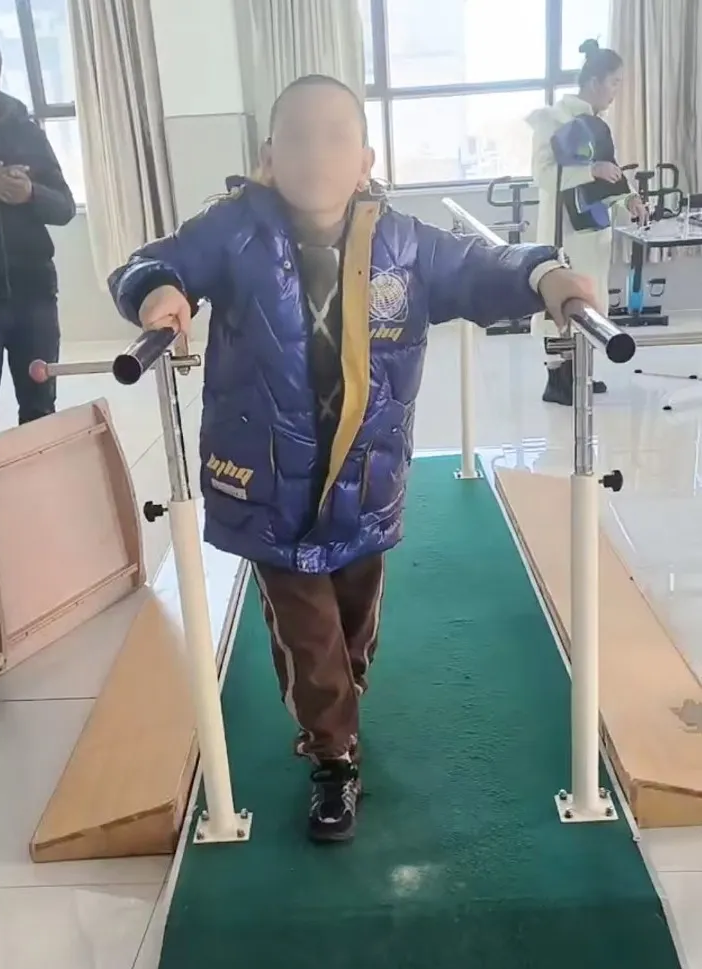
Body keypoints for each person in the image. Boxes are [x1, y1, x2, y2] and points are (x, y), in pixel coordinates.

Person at [109, 74, 599, 844]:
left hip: (365, 481)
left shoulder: (405, 244)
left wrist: (546, 275)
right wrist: (157, 295)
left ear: (366, 160)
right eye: (297, 137)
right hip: (269, 482)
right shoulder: (233, 231)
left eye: (337, 137)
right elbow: (150, 263)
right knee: (309, 631)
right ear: (268, 156)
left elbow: (482, 267)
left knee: (352, 619)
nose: (317, 153)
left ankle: (340, 697)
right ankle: (333, 754)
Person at [527, 39, 647, 406]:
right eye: (614, 82)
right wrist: (590, 169)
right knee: (560, 297)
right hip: (563, 230)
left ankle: (580, 372)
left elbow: (611, 175)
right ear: (594, 81)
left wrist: (629, 199)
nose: (615, 91)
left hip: (594, 229)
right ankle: (557, 377)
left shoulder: (599, 126)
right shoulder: (552, 119)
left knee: (591, 298)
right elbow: (543, 175)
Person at [0, 31, 76, 431]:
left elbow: (64, 207)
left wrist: (30, 193)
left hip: (35, 297)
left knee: (40, 415)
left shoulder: (26, 131)